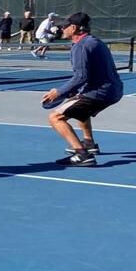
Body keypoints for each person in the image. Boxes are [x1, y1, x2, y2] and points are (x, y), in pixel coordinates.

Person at [41, 12, 124, 167]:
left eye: (65, 26)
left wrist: (58, 92)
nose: (62, 29)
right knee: (79, 108)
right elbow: (90, 74)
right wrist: (72, 92)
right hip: (113, 89)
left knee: (55, 118)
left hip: (100, 92)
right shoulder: (94, 41)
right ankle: (89, 144)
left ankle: (82, 154)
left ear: (74, 28)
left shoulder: (81, 46)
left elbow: (80, 77)